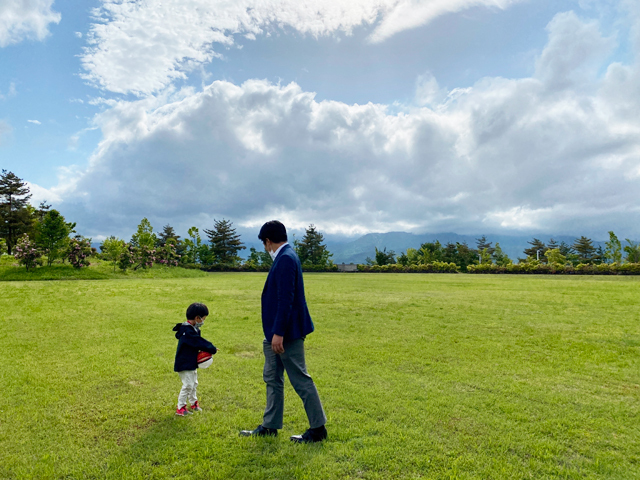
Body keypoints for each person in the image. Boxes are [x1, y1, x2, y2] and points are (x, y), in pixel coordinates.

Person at [240, 220, 327, 443]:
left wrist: (278, 333)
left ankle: (318, 430)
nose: (265, 248)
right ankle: (270, 425)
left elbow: (285, 299)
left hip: (286, 333)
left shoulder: (286, 259)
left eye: (264, 244)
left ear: (268, 241)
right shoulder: (285, 256)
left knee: (300, 379)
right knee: (272, 378)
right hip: (275, 334)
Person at [173, 302, 218, 416]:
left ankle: (194, 403)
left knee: (194, 383)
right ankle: (181, 407)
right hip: (184, 363)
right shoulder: (187, 331)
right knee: (188, 385)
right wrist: (211, 348)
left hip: (191, 362)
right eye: (203, 319)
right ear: (197, 318)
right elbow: (198, 342)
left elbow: (198, 342)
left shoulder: (193, 329)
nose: (203, 321)